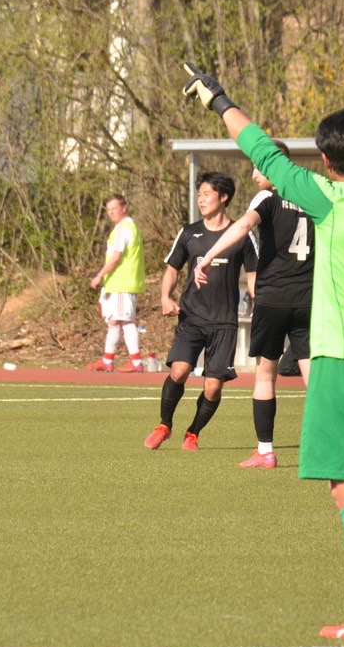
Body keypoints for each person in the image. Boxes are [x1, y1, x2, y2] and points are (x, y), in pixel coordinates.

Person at [183, 62, 344, 641]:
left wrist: (220, 99)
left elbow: (263, 153)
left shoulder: (329, 199)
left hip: (341, 363)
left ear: (326, 161)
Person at [192, 149, 313, 469]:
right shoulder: (314, 193)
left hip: (273, 299)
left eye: (259, 167)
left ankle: (266, 451)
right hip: (308, 299)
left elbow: (243, 226)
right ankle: (329, 447)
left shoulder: (266, 198)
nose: (254, 174)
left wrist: (207, 255)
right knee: (314, 378)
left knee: (265, 375)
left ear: (276, 166)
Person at [144, 172, 258, 452]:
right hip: (191, 317)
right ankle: (164, 424)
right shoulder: (188, 232)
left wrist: (262, 307)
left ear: (224, 197)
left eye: (207, 194)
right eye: (199, 195)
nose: (201, 199)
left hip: (224, 323)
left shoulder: (243, 235)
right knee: (180, 371)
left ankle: (193, 433)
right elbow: (172, 269)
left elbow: (254, 275)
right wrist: (164, 297)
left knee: (213, 388)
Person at [89, 194, 146, 372]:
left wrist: (99, 276)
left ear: (124, 207)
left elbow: (116, 256)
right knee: (114, 321)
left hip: (123, 283)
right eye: (109, 210)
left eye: (114, 208)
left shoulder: (125, 228)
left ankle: (136, 362)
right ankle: (108, 360)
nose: (111, 212)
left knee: (126, 321)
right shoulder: (121, 228)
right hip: (116, 283)